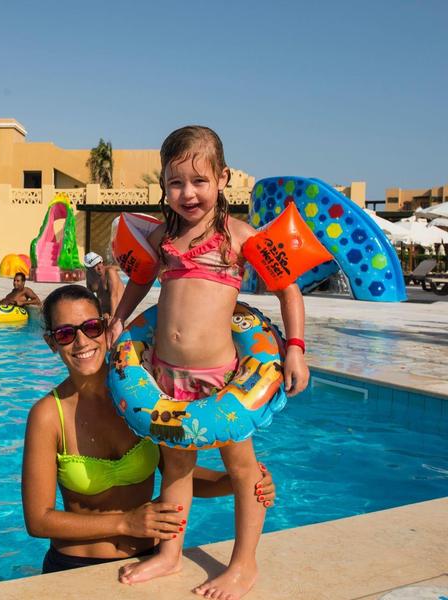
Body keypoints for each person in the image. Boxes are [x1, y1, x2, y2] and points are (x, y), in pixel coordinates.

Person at [108, 126, 308, 596]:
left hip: (222, 381)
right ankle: (171, 554)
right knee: (175, 469)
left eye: (199, 181)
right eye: (176, 183)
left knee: (243, 470)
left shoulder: (239, 238)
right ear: (163, 186)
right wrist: (119, 319)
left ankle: (243, 564)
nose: (187, 193)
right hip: (165, 375)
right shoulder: (162, 237)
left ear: (222, 179)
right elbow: (139, 282)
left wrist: (295, 348)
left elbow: (288, 290)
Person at [22, 285, 276, 575]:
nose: (81, 342)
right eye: (66, 334)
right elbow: (38, 520)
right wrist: (125, 522)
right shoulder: (47, 416)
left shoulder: (141, 397)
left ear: (106, 327)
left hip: (150, 558)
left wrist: (234, 482)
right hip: (74, 567)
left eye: (91, 327)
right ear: (51, 342)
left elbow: (177, 473)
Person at [83, 251, 125, 318]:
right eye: (95, 266)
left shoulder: (110, 273)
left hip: (118, 309)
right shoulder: (89, 275)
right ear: (89, 269)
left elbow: (114, 297)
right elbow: (90, 298)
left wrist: (112, 318)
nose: (99, 268)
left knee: (106, 320)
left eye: (99, 263)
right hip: (103, 310)